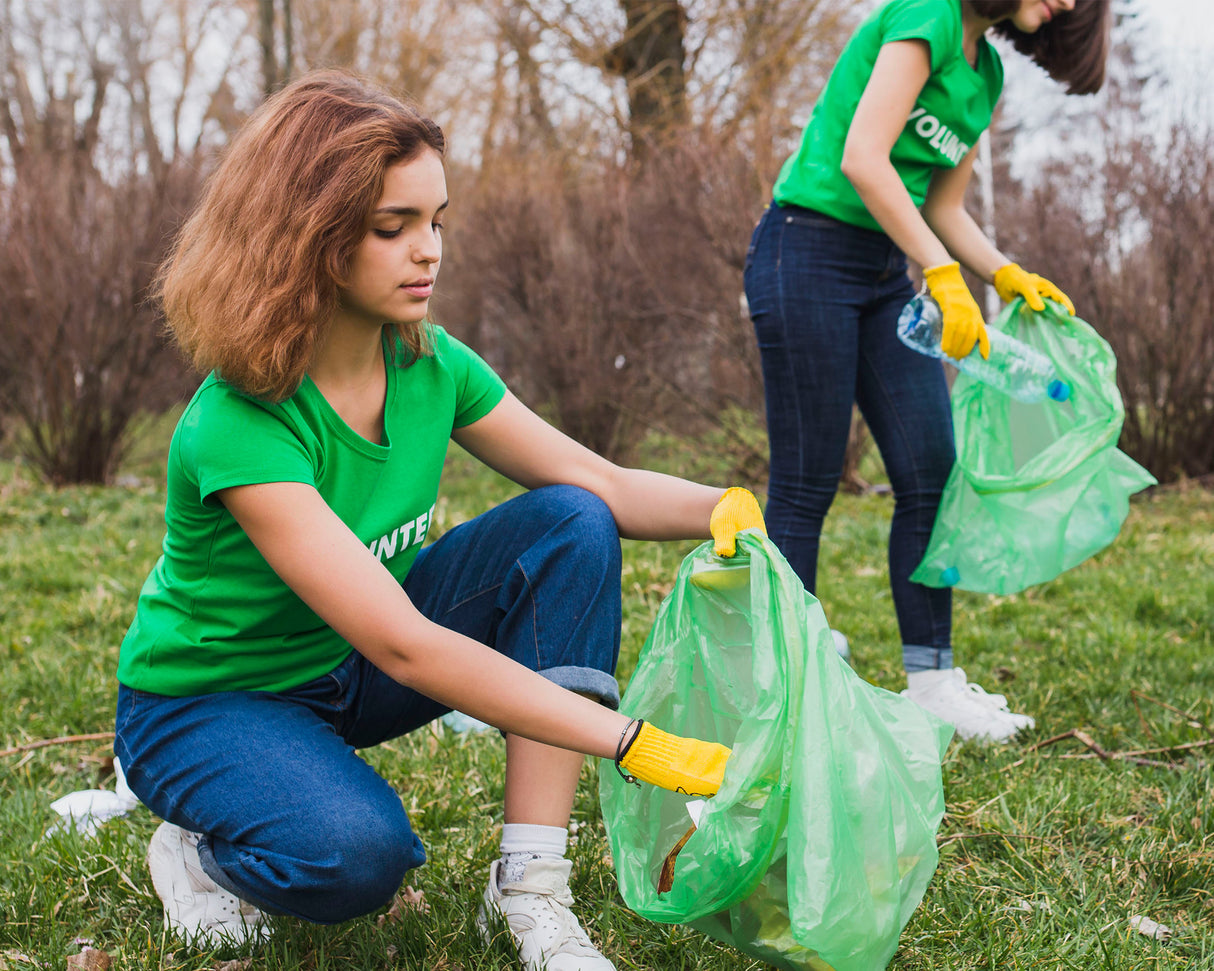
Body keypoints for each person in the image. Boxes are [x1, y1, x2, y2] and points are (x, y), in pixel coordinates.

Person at [114, 69, 766, 967]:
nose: (430, 252)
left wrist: (726, 511)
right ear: (308, 236)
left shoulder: (430, 364)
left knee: (569, 520)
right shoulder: (242, 419)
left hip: (343, 672)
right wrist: (630, 740)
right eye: (394, 228)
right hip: (213, 705)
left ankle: (531, 889)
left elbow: (595, 479)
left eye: (437, 222)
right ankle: (202, 852)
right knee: (358, 856)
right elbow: (405, 646)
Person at [743, 0, 1109, 742]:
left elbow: (944, 204)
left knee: (929, 473)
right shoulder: (928, 14)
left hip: (883, 274)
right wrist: (942, 275)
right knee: (808, 480)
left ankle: (933, 679)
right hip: (805, 249)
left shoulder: (986, 73)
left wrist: (1004, 274)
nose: (1070, 2)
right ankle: (785, 673)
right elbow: (863, 159)